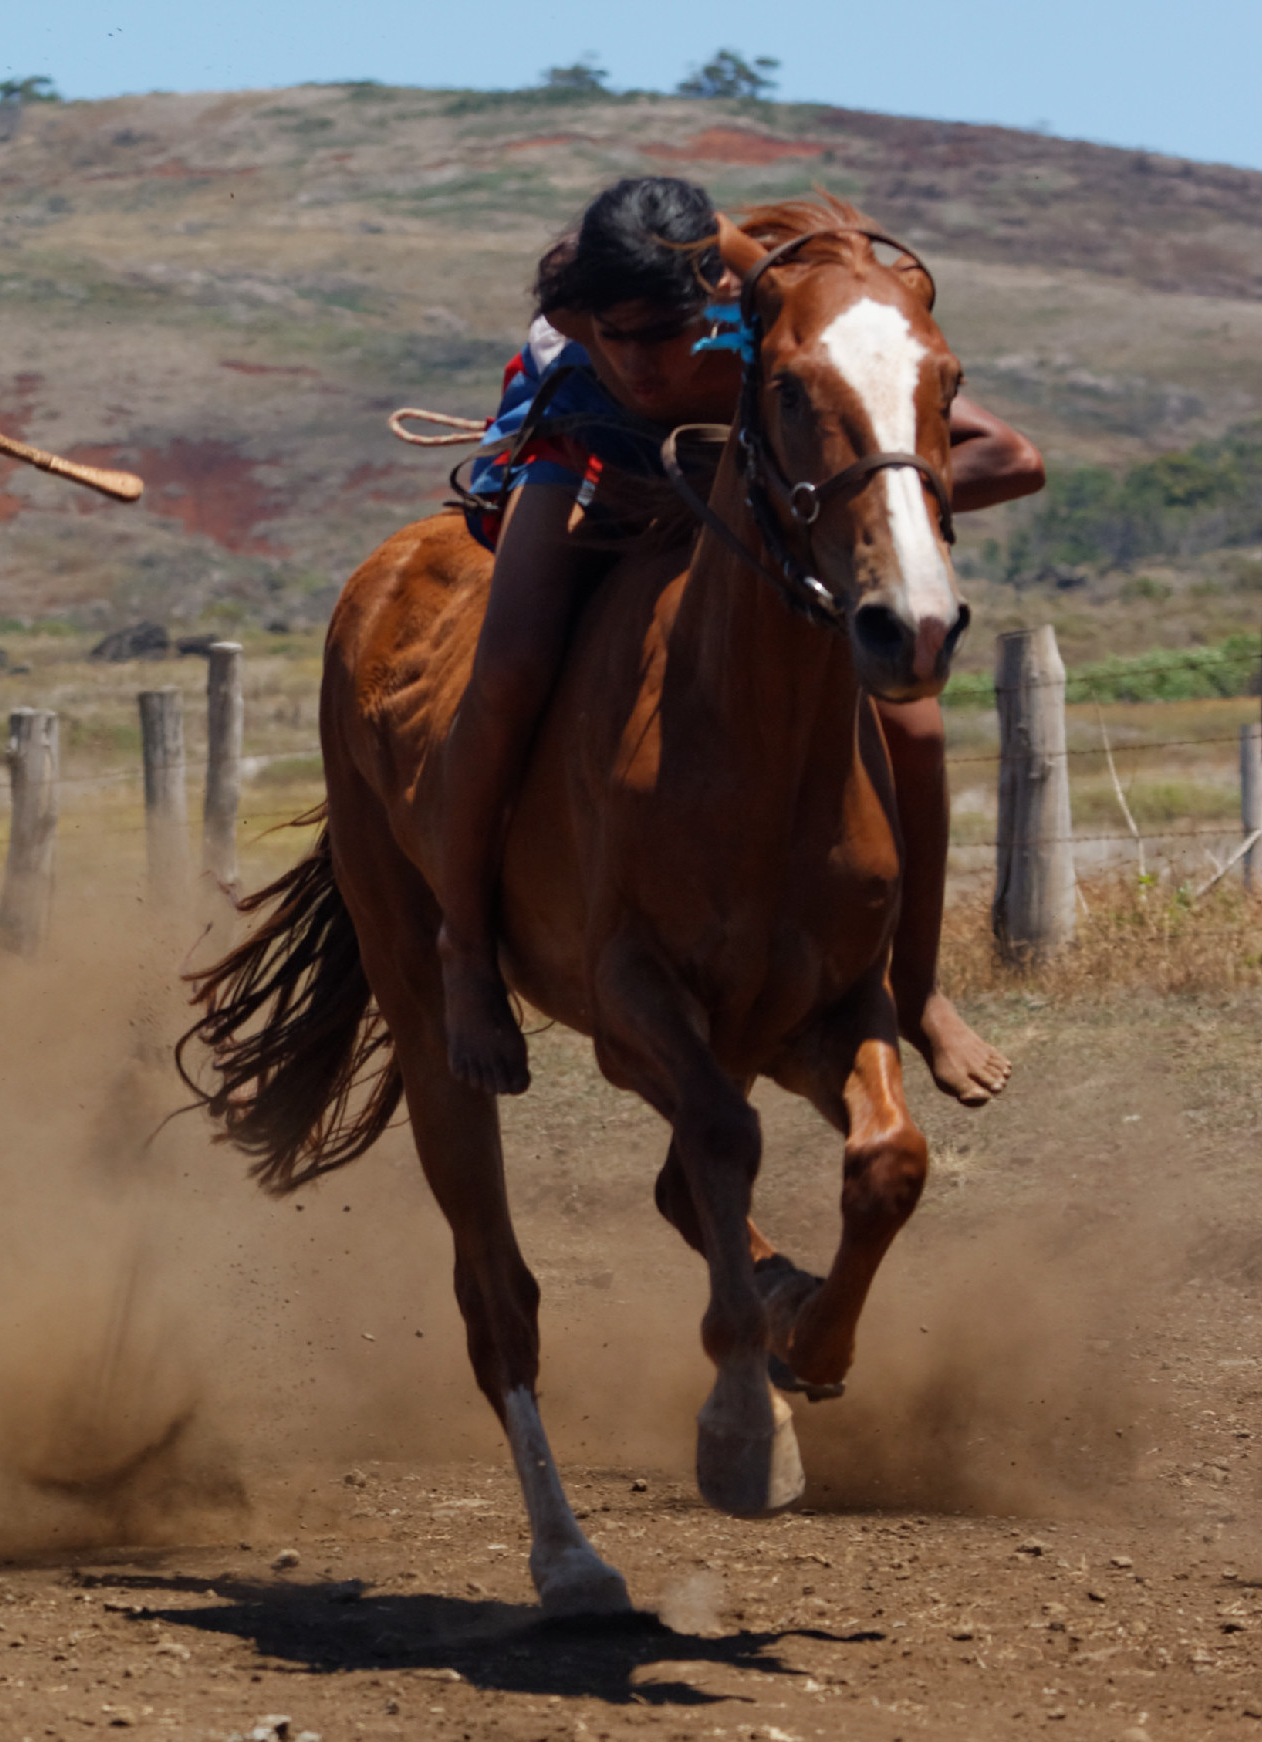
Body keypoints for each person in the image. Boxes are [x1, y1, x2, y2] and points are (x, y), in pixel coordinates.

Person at [436, 177, 1043, 1103]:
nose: (640, 360)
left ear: (713, 309)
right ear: (581, 315)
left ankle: (915, 991)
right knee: (513, 664)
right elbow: (611, 371)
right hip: (585, 451)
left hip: (748, 484)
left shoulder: (769, 318)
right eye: (615, 334)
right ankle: (467, 950)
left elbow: (1006, 457)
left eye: (663, 335)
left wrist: (843, 502)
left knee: (915, 727)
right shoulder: (573, 312)